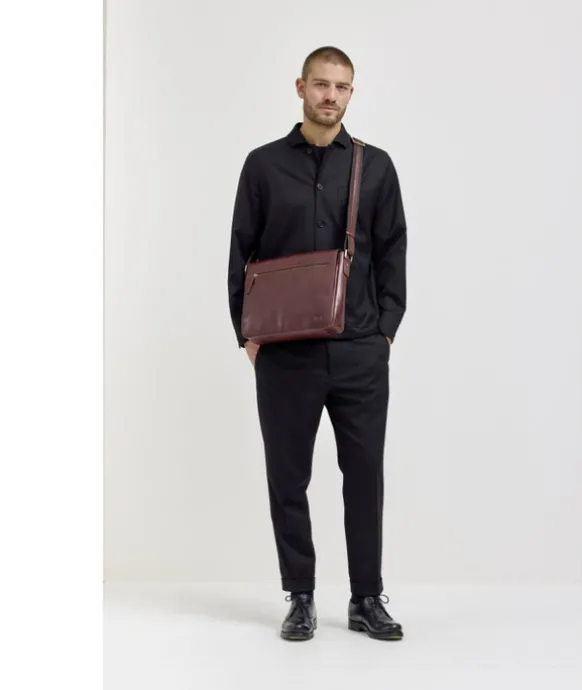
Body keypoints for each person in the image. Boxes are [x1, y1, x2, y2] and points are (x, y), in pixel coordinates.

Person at [227, 46, 407, 641]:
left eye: (342, 86)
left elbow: (393, 250)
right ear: (301, 87)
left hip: (360, 349)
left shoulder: (375, 166)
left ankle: (365, 597)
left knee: (365, 476)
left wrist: (384, 330)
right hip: (284, 353)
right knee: (288, 478)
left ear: (351, 93)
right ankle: (299, 596)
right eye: (322, 84)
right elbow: (241, 251)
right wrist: (249, 337)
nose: (332, 95)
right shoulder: (262, 165)